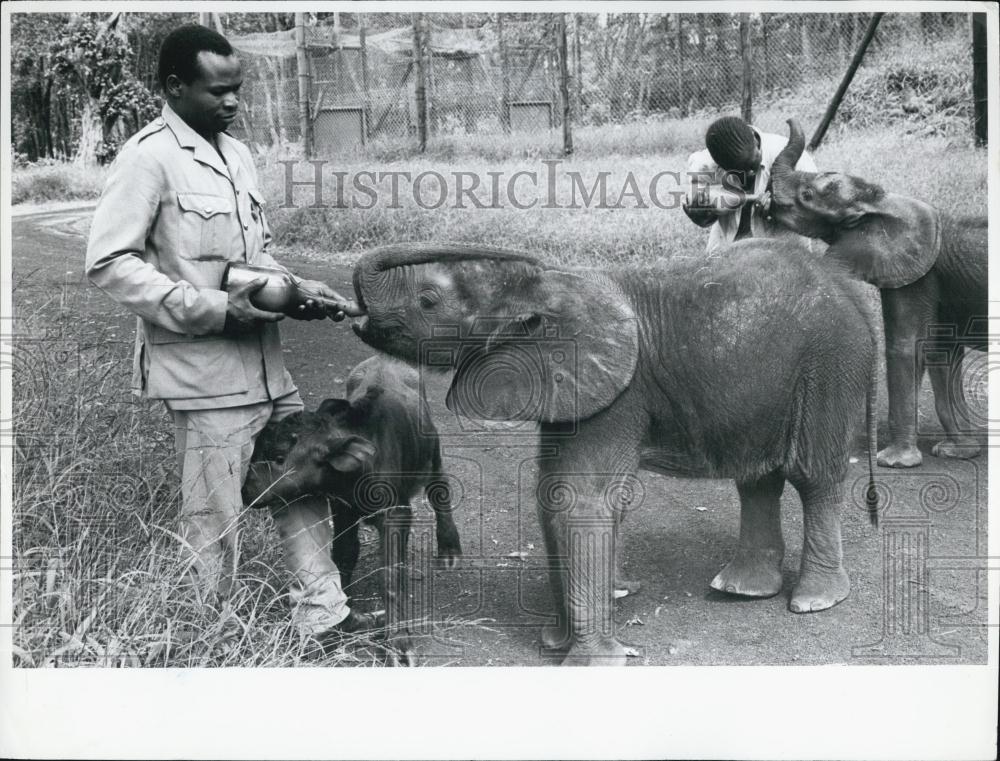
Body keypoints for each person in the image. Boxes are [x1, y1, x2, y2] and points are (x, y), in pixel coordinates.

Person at [85, 24, 375, 645]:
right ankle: (207, 633)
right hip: (204, 376)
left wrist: (297, 291)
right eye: (218, 91)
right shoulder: (147, 158)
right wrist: (213, 309)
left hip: (267, 370)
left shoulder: (237, 154)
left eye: (237, 89)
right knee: (213, 515)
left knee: (303, 481)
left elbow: (253, 259)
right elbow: (109, 262)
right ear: (174, 87)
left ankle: (323, 616)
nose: (233, 102)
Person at [682, 115, 818, 253]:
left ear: (755, 139)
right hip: (726, 249)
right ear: (719, 165)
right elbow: (701, 215)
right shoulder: (707, 163)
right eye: (740, 171)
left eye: (752, 164)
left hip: (785, 253)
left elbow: (815, 214)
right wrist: (700, 212)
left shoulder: (796, 158)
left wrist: (780, 209)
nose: (750, 173)